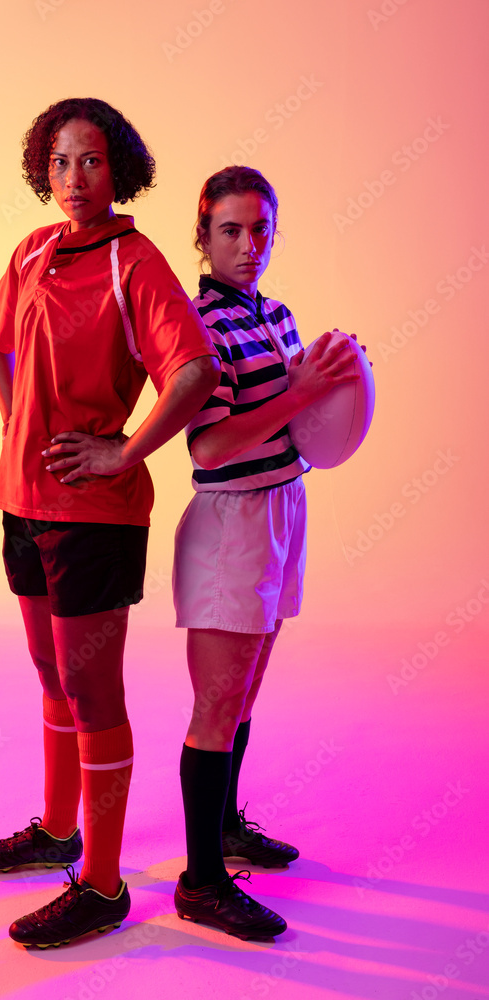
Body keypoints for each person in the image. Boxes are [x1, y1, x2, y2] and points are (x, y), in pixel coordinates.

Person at [0, 97, 219, 949]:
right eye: (62, 162)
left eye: (93, 162)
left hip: (93, 518)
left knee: (92, 690)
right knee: (48, 673)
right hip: (22, 502)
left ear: (120, 172)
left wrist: (125, 452)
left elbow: (192, 371)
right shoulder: (33, 249)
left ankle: (104, 886)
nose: (75, 178)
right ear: (43, 168)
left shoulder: (134, 260)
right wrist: (15, 427)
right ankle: (56, 829)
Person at [172, 165, 360, 941]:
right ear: (203, 234)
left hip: (284, 505)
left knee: (243, 695)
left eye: (260, 230)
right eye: (230, 230)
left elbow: (298, 422)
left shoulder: (276, 315)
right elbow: (211, 447)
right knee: (215, 704)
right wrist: (300, 392)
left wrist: (337, 383)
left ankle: (224, 830)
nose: (248, 245)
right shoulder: (198, 327)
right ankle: (201, 883)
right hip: (230, 523)